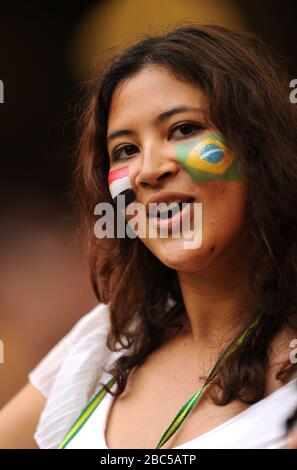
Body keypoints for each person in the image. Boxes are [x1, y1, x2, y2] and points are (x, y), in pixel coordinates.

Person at [1, 22, 297, 449]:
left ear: (258, 150)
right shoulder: (106, 341)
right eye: (125, 150)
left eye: (183, 129)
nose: (148, 169)